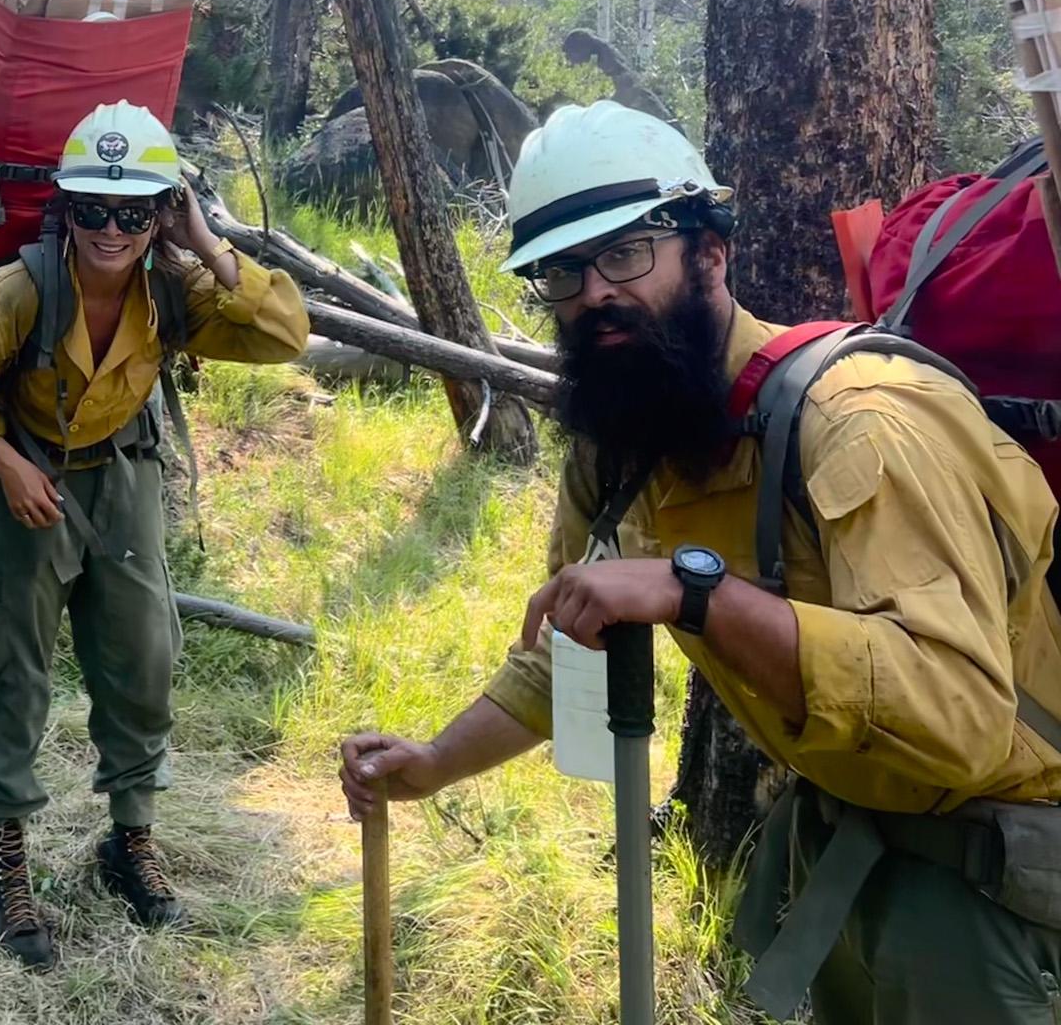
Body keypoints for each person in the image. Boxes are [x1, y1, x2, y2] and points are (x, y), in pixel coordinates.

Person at [336, 100, 1061, 1023]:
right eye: (560, 271)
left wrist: (694, 594)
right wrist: (434, 761)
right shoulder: (628, 434)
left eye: (626, 254)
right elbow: (567, 651)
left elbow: (959, 715)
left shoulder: (861, 423)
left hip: (999, 882)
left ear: (709, 253)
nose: (593, 292)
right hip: (854, 843)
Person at [0, 101, 309, 968]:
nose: (111, 229)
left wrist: (205, 242)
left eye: (135, 211)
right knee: (14, 671)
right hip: (24, 482)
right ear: (65, 204)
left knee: (143, 662)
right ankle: (5, 860)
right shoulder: (19, 290)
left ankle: (129, 842)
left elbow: (285, 332)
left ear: (160, 213)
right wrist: (2, 463)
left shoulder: (173, 291)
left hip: (123, 478)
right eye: (93, 207)